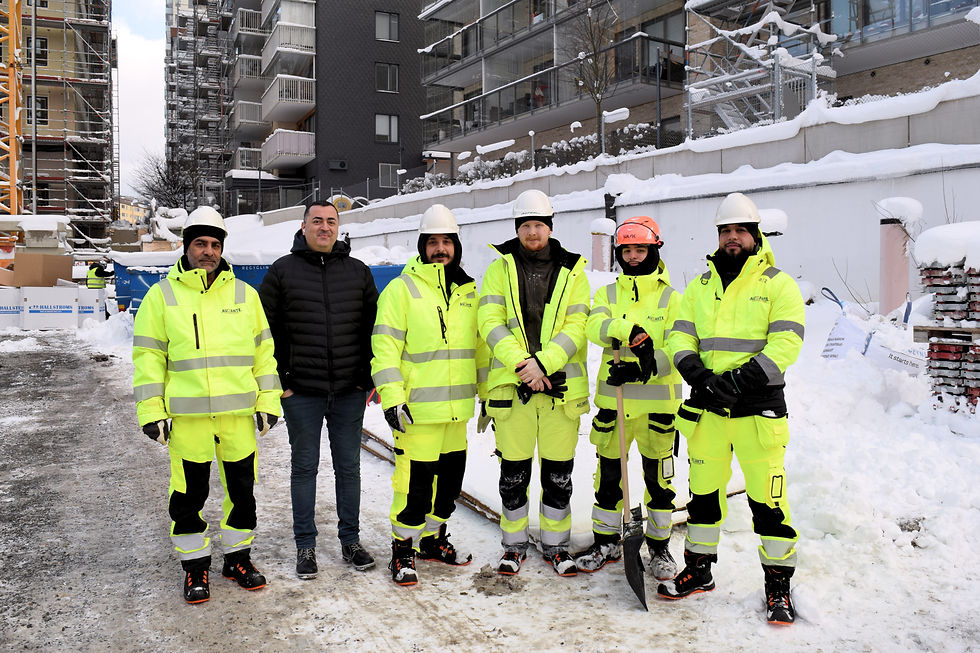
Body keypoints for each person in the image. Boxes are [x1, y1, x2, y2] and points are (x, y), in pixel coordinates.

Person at [661, 192, 805, 626]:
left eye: (740, 230)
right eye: (725, 231)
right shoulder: (700, 286)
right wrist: (697, 374)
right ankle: (699, 570)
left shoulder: (777, 284)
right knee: (703, 497)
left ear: (755, 234)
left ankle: (778, 586)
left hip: (758, 411)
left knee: (768, 502)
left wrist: (740, 380)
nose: (732, 237)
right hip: (708, 410)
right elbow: (679, 335)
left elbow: (787, 342)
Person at [132, 206, 282, 604]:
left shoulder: (244, 296)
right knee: (188, 497)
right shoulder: (162, 297)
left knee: (242, 493)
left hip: (237, 420)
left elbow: (264, 355)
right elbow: (148, 360)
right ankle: (195, 565)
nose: (208, 251)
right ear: (186, 246)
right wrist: (151, 411)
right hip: (189, 421)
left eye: (215, 244)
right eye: (201, 243)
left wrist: (269, 401)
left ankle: (238, 559)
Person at [259, 200, 378, 580]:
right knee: (305, 467)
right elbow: (264, 331)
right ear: (304, 226)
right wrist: (282, 381)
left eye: (331, 221)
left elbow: (374, 329)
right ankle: (305, 545)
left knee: (349, 468)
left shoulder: (358, 272)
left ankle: (351, 541)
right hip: (302, 392)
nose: (324, 227)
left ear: (337, 227)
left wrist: (367, 377)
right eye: (317, 221)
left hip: (348, 391)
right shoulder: (282, 271)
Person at [371, 204, 485, 586]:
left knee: (448, 488)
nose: (440, 249)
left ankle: (433, 540)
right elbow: (384, 349)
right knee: (413, 489)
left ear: (456, 246)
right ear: (422, 246)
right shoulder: (401, 290)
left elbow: (480, 350)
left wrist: (488, 395)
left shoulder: (469, 292)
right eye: (432, 242)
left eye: (446, 242)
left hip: (456, 414)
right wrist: (392, 397)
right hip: (416, 413)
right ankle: (403, 549)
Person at [478, 189, 590, 577]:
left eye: (538, 224)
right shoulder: (499, 269)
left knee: (558, 475)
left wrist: (544, 363)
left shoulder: (573, 271)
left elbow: (578, 325)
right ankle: (513, 545)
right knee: (514, 475)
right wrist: (524, 366)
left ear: (550, 227)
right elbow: (489, 322)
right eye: (525, 225)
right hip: (515, 390)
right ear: (517, 228)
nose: (532, 232)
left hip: (560, 392)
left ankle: (556, 545)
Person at [575, 216, 683, 580]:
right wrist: (628, 330)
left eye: (640, 249)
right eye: (627, 251)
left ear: (654, 250)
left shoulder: (672, 298)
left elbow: (680, 346)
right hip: (615, 408)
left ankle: (659, 547)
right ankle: (606, 541)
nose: (633, 257)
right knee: (608, 480)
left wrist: (643, 370)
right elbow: (593, 326)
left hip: (657, 411)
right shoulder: (607, 294)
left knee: (659, 484)